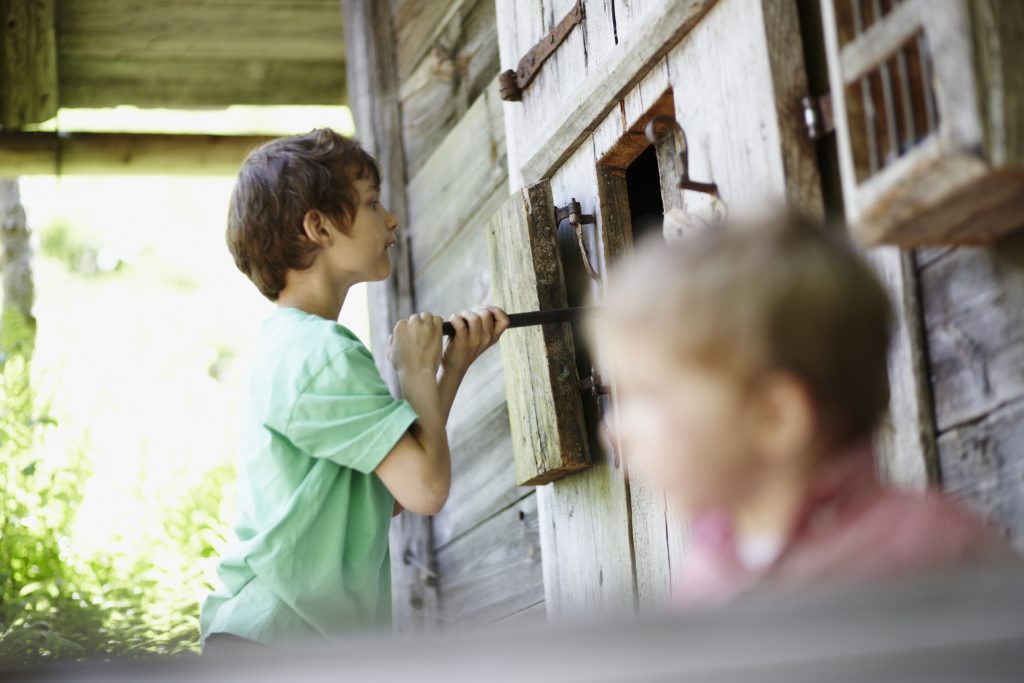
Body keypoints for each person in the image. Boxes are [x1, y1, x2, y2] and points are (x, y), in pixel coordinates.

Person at [591, 211, 1015, 607]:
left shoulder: (934, 549)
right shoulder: (701, 582)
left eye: (645, 393)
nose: (614, 431)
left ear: (775, 417)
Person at [200, 128, 508, 649]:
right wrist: (413, 373)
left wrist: (448, 370)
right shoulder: (324, 353)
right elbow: (426, 490)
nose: (391, 219)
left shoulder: (287, 346)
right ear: (318, 226)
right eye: (371, 203)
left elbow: (388, 493)